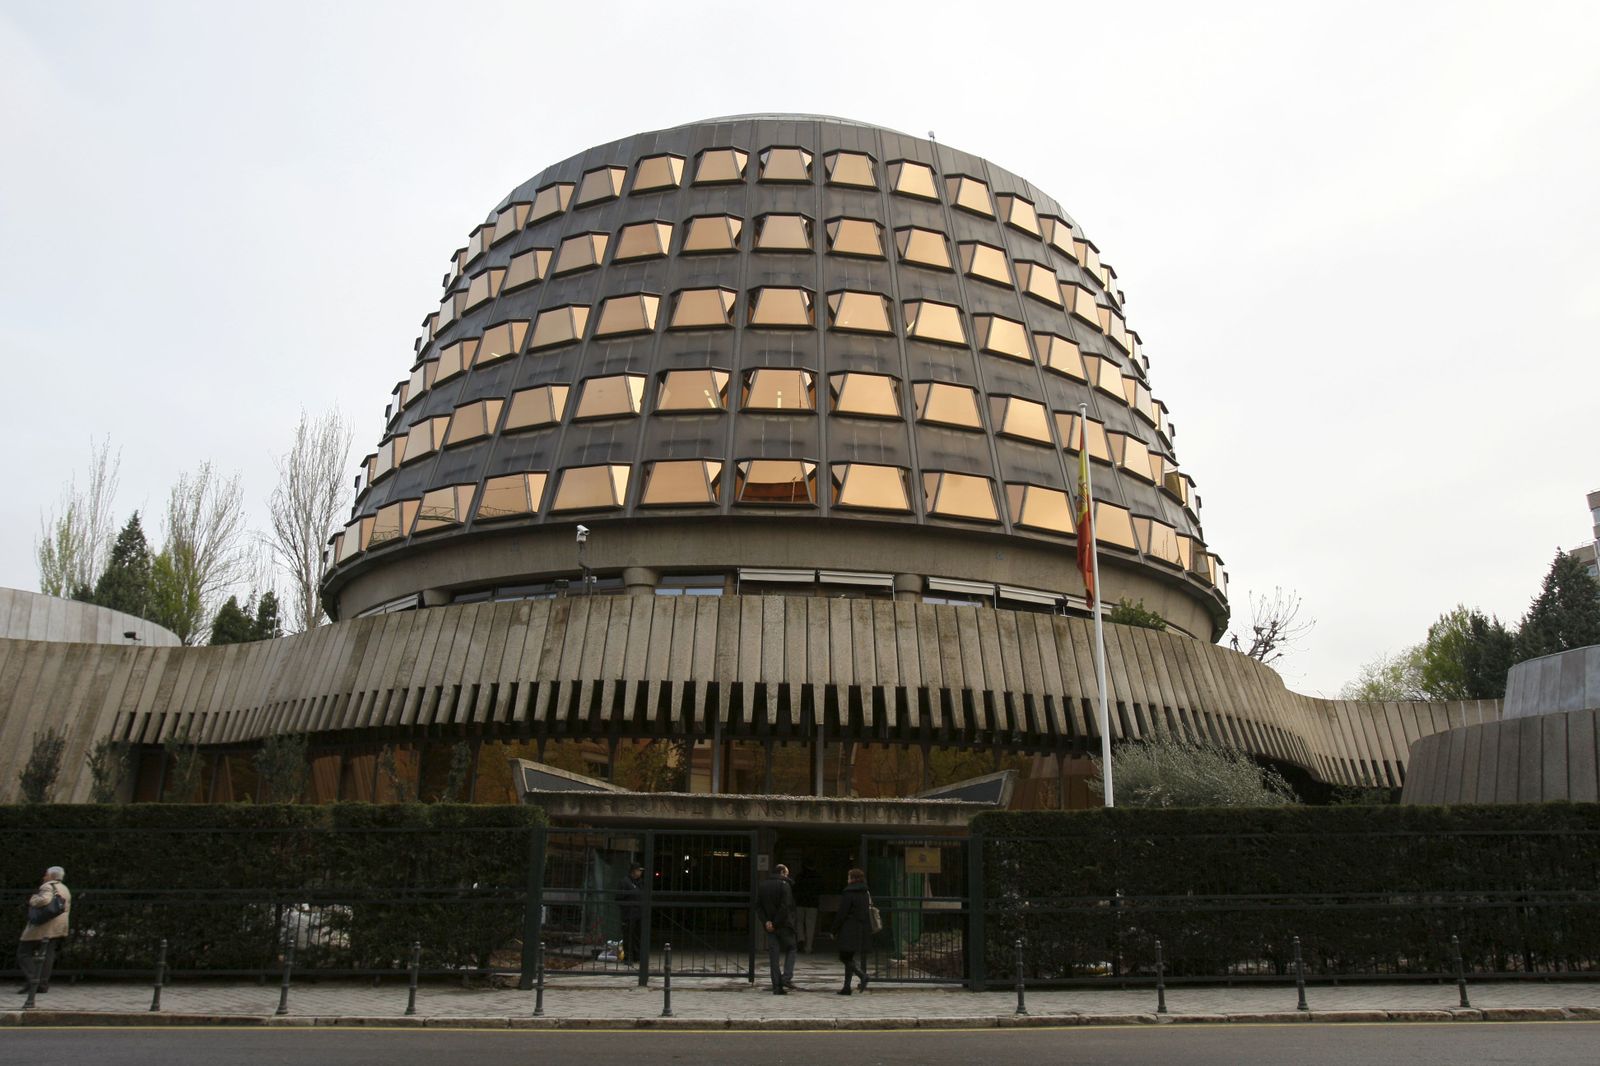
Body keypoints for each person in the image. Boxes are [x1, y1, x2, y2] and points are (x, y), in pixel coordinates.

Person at [17, 866, 70, 995]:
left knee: (24, 952)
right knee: (48, 954)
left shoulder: (48, 886)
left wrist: (33, 899)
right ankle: (42, 983)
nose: (44, 877)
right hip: (57, 926)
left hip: (43, 924)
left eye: (46, 874)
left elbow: (45, 900)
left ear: (51, 876)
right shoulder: (64, 888)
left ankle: (34, 980)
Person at [755, 862, 797, 994]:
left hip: (769, 926)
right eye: (787, 874)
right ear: (782, 873)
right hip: (783, 925)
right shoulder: (784, 885)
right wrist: (775, 922)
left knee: (774, 955)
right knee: (792, 948)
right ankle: (786, 977)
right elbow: (785, 906)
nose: (788, 876)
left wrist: (767, 922)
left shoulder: (763, 885)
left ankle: (777, 986)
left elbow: (758, 906)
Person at [831, 867, 871, 995]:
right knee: (849, 957)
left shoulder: (848, 893)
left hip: (848, 928)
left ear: (853, 878)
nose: (847, 879)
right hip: (860, 928)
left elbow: (842, 913)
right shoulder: (865, 892)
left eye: (848, 877)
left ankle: (862, 975)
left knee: (844, 957)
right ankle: (846, 987)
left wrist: (834, 929)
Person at [619, 863, 645, 970]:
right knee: (628, 936)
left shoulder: (640, 882)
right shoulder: (625, 882)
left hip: (639, 914)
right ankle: (628, 957)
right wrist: (626, 908)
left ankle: (636, 956)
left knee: (637, 936)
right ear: (633, 871)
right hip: (629, 914)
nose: (640, 872)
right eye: (639, 870)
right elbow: (619, 898)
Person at [792, 862, 821, 953]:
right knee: (810, 925)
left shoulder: (799, 876)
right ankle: (808, 947)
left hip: (800, 902)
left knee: (799, 922)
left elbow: (794, 889)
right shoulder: (817, 877)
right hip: (813, 903)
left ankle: (801, 938)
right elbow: (821, 889)